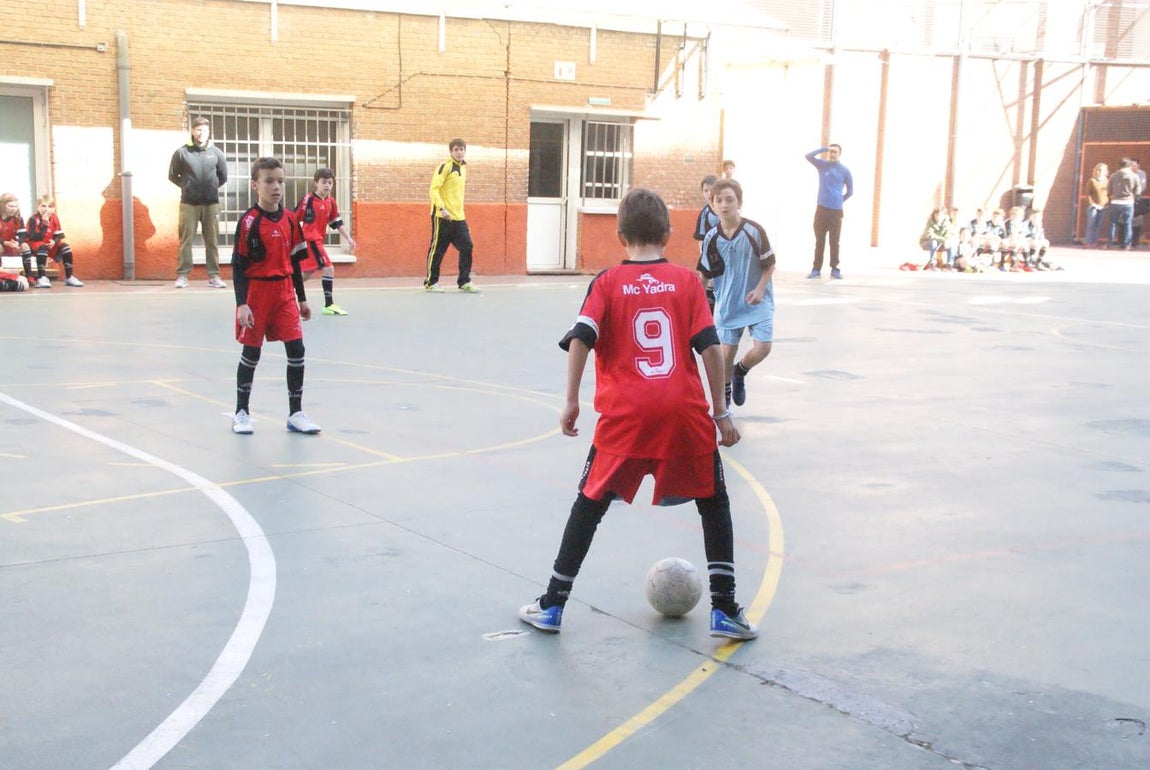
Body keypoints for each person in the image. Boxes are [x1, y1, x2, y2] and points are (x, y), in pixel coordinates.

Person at [518, 187, 757, 641]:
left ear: (619, 235)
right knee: (713, 502)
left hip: (625, 417)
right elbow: (710, 348)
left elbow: (582, 336)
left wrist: (571, 400)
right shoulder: (687, 282)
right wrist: (721, 411)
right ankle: (725, 608)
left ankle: (552, 604)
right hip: (683, 414)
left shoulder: (607, 283)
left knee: (589, 504)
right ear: (668, 234)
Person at [229, 157, 321, 436]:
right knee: (251, 353)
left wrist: (301, 298)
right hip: (257, 293)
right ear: (255, 185)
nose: (276, 187)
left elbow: (294, 262)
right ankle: (241, 412)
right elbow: (238, 266)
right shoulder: (248, 222)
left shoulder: (291, 220)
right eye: (269, 181)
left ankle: (296, 413)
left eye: (280, 181)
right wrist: (242, 304)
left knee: (297, 349)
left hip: (284, 293)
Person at [698, 179, 775, 410]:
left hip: (757, 301)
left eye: (730, 200)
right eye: (719, 200)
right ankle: (725, 403)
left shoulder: (754, 231)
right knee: (726, 355)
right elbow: (704, 274)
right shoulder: (711, 238)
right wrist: (697, 303)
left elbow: (770, 264)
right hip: (728, 304)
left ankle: (740, 371)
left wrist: (760, 289)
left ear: (739, 203)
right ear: (712, 204)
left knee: (763, 348)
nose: (724, 205)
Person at [169, 116, 229, 289]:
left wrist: (211, 187)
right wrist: (187, 186)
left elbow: (223, 176)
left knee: (212, 240)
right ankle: (182, 276)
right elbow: (172, 175)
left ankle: (214, 276)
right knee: (186, 240)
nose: (201, 133)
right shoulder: (182, 152)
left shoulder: (216, 153)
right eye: (198, 129)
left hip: (211, 204)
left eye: (204, 130)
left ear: (209, 132)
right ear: (193, 131)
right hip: (188, 203)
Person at [296, 168, 356, 315]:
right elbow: (294, 218)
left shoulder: (331, 202)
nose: (327, 185)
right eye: (324, 182)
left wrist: (348, 238)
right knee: (329, 268)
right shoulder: (308, 200)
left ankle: (282, 288)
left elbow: (336, 222)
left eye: (330, 182)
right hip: (310, 240)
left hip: (317, 241)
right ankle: (329, 305)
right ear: (316, 183)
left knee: (306, 274)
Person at [424, 138, 479, 293]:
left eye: (462, 149)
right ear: (451, 152)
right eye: (456, 150)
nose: (459, 152)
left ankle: (464, 281)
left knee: (467, 246)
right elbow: (433, 189)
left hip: (459, 217)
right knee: (438, 250)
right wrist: (442, 208)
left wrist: (460, 213)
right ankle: (431, 283)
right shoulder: (445, 166)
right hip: (442, 217)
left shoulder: (464, 168)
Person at [805, 143, 853, 280]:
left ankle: (835, 269)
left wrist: (839, 200)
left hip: (836, 211)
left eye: (835, 152)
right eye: (831, 151)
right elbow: (808, 156)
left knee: (834, 241)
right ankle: (816, 269)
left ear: (839, 154)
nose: (832, 154)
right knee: (819, 241)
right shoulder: (822, 165)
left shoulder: (845, 171)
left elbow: (850, 191)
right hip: (821, 209)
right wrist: (825, 148)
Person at [25, 195, 83, 287]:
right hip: (35, 245)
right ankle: (41, 277)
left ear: (54, 209)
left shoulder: (54, 218)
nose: (46, 209)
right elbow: (33, 237)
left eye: (50, 206)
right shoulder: (33, 219)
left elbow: (59, 235)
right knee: (42, 246)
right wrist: (45, 225)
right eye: (43, 206)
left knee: (65, 247)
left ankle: (69, 277)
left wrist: (54, 242)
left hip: (50, 245)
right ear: (38, 207)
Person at [693, 174, 719, 311]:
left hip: (725, 252)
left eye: (712, 190)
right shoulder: (705, 213)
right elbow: (700, 237)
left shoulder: (724, 209)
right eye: (706, 190)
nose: (709, 193)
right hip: (711, 254)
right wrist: (704, 256)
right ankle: (708, 310)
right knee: (709, 282)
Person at [0, 192, 36, 286]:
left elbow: (22, 234)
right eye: (10, 206)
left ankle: (29, 275)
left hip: (12, 245)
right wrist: (5, 243)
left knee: (25, 246)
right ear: (3, 205)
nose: (13, 209)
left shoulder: (18, 217)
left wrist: (18, 243)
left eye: (15, 206)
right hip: (2, 245)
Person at [1107, 158, 1143, 250]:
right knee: (1128, 223)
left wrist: (1112, 195)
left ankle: (1110, 243)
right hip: (1128, 202)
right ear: (1129, 165)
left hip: (1115, 202)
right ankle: (1127, 244)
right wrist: (1134, 196)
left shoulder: (1113, 176)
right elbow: (1138, 191)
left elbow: (1109, 189)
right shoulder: (1134, 176)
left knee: (1113, 223)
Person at [919, 206, 953, 270]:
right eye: (936, 215)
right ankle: (932, 264)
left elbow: (949, 233)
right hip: (927, 242)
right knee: (933, 242)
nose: (938, 217)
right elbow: (930, 235)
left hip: (941, 243)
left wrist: (947, 240)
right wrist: (943, 240)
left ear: (944, 216)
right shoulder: (930, 222)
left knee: (951, 243)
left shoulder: (947, 223)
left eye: (940, 215)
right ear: (934, 215)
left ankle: (949, 264)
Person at [1084, 162, 1109, 247]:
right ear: (1096, 171)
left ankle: (1094, 242)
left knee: (1099, 225)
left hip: (1103, 206)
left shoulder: (1107, 181)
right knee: (1091, 224)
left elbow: (1109, 193)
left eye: (1103, 170)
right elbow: (1087, 194)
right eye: (1099, 170)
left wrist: (1107, 203)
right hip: (1093, 207)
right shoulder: (1092, 181)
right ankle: (1088, 242)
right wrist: (1091, 203)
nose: (1101, 172)